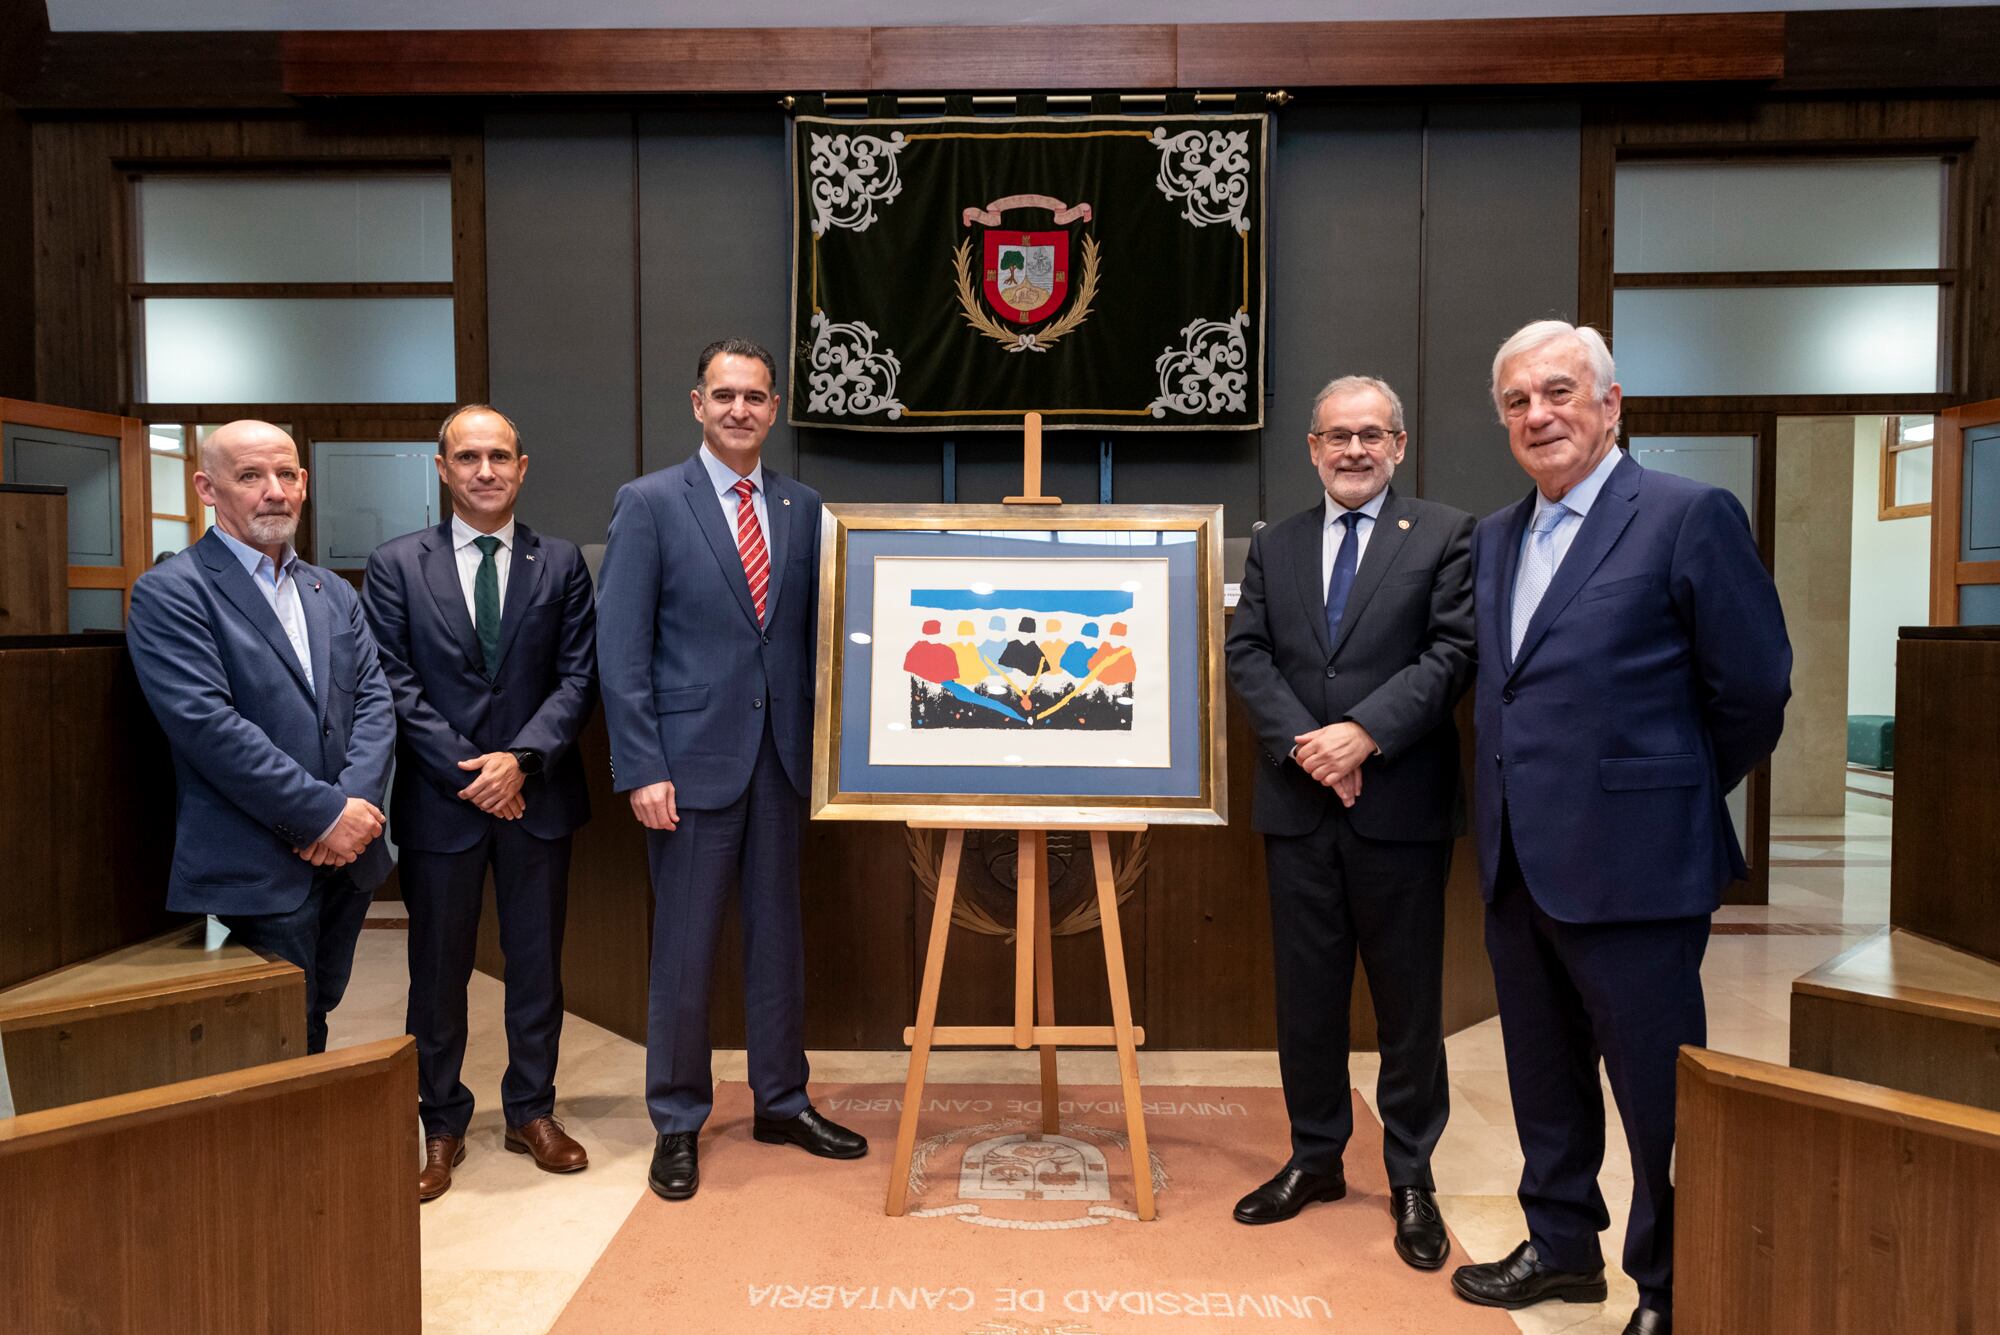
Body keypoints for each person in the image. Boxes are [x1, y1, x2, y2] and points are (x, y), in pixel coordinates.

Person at [1448, 322, 1790, 1335]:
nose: (1536, 415)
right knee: (1541, 1075)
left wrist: (1667, 789)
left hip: (1636, 867)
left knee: (1656, 1096)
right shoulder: (1496, 535)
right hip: (1518, 861)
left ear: (1610, 402)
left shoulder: (1686, 517)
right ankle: (1561, 1251)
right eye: (1515, 402)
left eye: (1557, 392)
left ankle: (1671, 1284)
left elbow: (1754, 689)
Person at [596, 338, 867, 1201]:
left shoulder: (805, 506)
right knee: (684, 950)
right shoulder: (648, 504)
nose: (741, 409)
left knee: (779, 942)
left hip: (783, 763)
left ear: (775, 407)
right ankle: (677, 1118)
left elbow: (823, 637)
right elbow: (621, 648)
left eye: (756, 396)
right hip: (686, 766)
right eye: (725, 395)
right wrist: (642, 765)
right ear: (697, 403)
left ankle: (782, 1099)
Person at [1225, 375, 1475, 1270]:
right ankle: (1316, 1155)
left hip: (1399, 806)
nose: (1354, 450)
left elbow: (1453, 652)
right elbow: (1246, 650)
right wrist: (1309, 745)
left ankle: (1411, 1175)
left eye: (1372, 435)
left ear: (1399, 445)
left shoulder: (1447, 534)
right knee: (1308, 996)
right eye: (1337, 436)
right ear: (1312, 447)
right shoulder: (1275, 544)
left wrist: (1365, 734)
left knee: (1408, 1004)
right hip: (1298, 807)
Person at [361, 405, 598, 1202]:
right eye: (469, 456)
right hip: (442, 800)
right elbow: (393, 682)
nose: (486, 469)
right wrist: (474, 769)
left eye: (500, 455)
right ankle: (440, 1121)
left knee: (536, 967)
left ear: (523, 467)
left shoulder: (561, 562)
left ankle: (532, 1109)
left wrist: (522, 761)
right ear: (442, 467)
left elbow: (577, 677)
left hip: (539, 798)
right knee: (437, 974)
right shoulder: (395, 564)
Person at [127, 419, 393, 1054]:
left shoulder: (332, 590)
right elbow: (208, 727)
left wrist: (349, 817)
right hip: (258, 863)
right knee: (268, 1038)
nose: (274, 490)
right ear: (207, 488)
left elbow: (376, 704)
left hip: (348, 857)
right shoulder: (171, 593)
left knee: (316, 1016)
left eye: (286, 474)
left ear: (303, 484)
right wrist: (323, 815)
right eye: (250, 476)